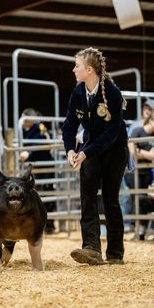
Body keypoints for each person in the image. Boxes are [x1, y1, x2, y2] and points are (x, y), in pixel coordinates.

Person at [62, 47, 128, 265]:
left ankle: (115, 253)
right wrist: (71, 150)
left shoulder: (112, 92)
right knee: (87, 196)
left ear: (89, 69)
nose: (74, 70)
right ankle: (91, 248)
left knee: (110, 200)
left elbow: (112, 132)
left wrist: (85, 153)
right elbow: (69, 126)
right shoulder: (78, 92)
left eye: (77, 66)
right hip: (90, 149)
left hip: (114, 150)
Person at [19, 108, 56, 234]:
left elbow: (41, 142)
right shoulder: (28, 130)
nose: (22, 122)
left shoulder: (39, 127)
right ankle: (37, 224)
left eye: (24, 119)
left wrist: (28, 152)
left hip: (44, 164)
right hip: (36, 165)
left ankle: (49, 224)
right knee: (36, 193)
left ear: (30, 119)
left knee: (47, 193)